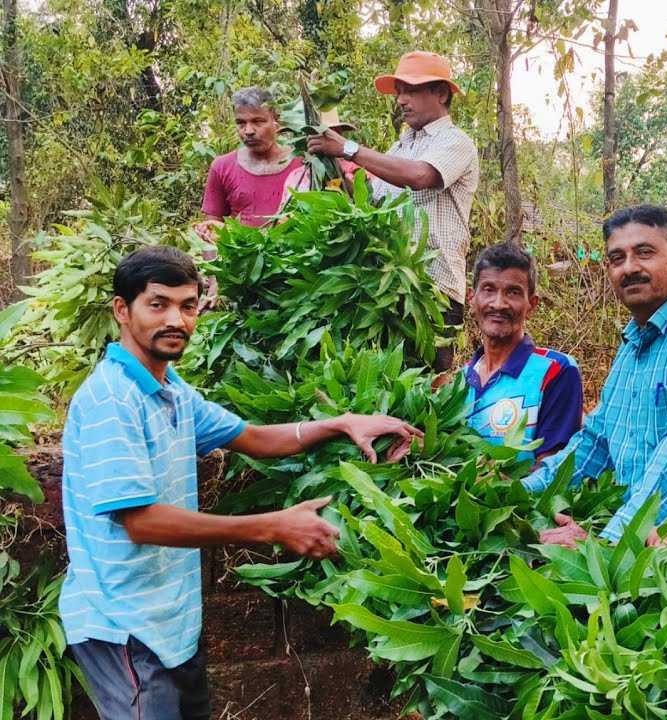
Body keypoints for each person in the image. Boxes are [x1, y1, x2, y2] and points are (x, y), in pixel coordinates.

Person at [59, 246, 424, 720]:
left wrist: (341, 423)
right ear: (122, 311)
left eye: (188, 306)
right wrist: (272, 526)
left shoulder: (172, 391)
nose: (176, 319)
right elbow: (140, 522)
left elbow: (252, 437)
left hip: (171, 623)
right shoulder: (113, 398)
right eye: (158, 304)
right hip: (122, 624)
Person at [522, 205, 667, 545]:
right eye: (617, 258)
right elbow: (594, 445)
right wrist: (514, 494)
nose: (629, 267)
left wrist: (610, 544)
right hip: (637, 558)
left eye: (644, 253)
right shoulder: (629, 350)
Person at [307, 51, 479, 373]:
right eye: (399, 91)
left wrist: (348, 148)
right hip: (389, 288)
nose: (401, 100)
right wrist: (334, 173)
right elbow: (373, 200)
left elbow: (419, 176)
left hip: (433, 291)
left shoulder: (456, 142)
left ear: (441, 93)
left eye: (410, 90)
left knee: (429, 388)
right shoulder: (401, 147)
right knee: (391, 386)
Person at [464, 243, 583, 463]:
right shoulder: (459, 382)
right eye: (488, 289)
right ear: (472, 299)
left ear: (531, 305)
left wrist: (480, 476)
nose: (498, 304)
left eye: (513, 292)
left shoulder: (556, 371)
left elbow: (551, 475)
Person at [199, 87, 302, 230]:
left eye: (258, 121)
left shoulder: (303, 164)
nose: (248, 131)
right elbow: (209, 231)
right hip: (242, 252)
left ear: (276, 121)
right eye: (241, 123)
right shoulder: (222, 167)